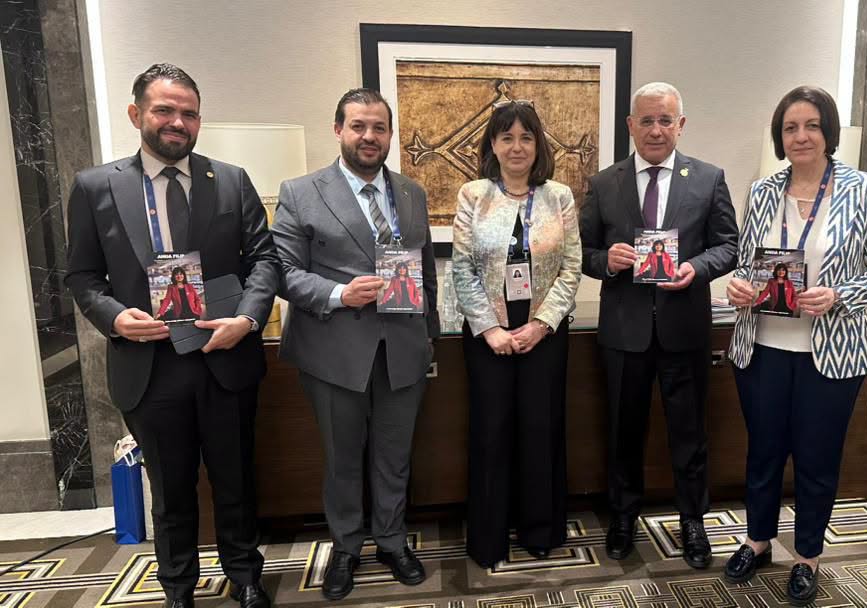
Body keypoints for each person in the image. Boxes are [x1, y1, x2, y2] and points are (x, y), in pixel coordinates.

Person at [64, 64, 277, 608]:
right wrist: (115, 317)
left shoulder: (231, 180)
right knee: (170, 488)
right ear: (136, 114)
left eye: (189, 113)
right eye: (164, 110)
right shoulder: (95, 187)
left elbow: (264, 260)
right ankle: (178, 588)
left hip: (225, 356)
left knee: (236, 480)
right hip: (150, 364)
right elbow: (82, 276)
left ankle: (246, 577)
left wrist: (248, 319)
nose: (177, 122)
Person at [723, 86, 867, 606]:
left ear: (829, 132)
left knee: (817, 458)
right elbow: (748, 263)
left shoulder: (865, 189)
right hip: (762, 346)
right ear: (780, 138)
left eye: (812, 126)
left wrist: (840, 295)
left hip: (831, 353)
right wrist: (739, 285)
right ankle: (757, 541)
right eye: (790, 128)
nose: (801, 136)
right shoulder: (762, 191)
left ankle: (807, 556)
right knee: (763, 451)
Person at [272, 88, 439, 600]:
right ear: (338, 130)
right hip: (334, 351)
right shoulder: (301, 192)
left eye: (379, 128)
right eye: (359, 126)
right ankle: (345, 548)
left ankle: (391, 540)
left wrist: (429, 336)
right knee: (342, 458)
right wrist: (339, 293)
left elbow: (425, 271)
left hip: (402, 349)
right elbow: (282, 271)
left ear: (389, 135)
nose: (369, 136)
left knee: (394, 455)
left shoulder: (411, 192)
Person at [578, 82, 738, 569]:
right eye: (646, 120)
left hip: (683, 329)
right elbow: (580, 252)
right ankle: (623, 518)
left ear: (680, 125)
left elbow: (729, 245)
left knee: (689, 434)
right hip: (624, 331)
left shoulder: (708, 178)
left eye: (665, 120)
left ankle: (693, 521)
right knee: (623, 432)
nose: (655, 129)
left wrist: (697, 268)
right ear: (630, 125)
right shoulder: (604, 183)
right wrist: (607, 260)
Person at [451, 100, 582, 567]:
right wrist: (490, 329)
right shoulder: (473, 195)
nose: (517, 147)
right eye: (507, 137)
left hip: (545, 332)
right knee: (491, 432)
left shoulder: (559, 197)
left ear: (538, 144)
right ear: (493, 144)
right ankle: (489, 538)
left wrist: (541, 324)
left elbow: (571, 268)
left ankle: (540, 530)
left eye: (526, 137)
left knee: (540, 429)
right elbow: (462, 269)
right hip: (487, 335)